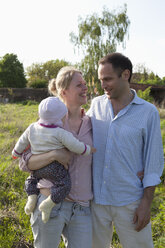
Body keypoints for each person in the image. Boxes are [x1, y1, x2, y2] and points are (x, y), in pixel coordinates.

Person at [87, 52, 164, 248]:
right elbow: (77, 132)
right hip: (96, 200)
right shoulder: (95, 105)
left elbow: (153, 161)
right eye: (100, 79)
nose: (103, 84)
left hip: (130, 200)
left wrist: (146, 203)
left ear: (126, 75)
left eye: (108, 79)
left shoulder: (148, 112)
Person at [19, 67, 94, 248]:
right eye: (79, 85)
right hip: (49, 204)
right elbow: (23, 163)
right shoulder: (47, 123)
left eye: (85, 84)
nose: (85, 88)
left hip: (82, 208)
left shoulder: (92, 122)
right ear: (63, 92)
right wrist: (54, 154)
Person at [12, 96, 95, 223]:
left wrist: (15, 153)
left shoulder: (32, 127)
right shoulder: (60, 132)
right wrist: (88, 150)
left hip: (38, 169)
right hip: (54, 168)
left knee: (31, 179)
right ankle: (49, 203)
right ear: (60, 117)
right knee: (64, 184)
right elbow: (75, 145)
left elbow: (21, 142)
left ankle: (32, 196)